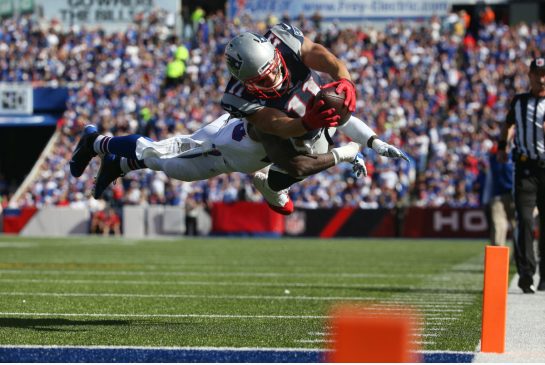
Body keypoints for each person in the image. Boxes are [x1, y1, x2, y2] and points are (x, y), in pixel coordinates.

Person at [221, 24, 408, 214]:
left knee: (295, 167)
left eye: (272, 68)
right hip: (273, 136)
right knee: (296, 165)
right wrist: (307, 122)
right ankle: (277, 182)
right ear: (244, 82)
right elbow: (276, 125)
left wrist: (346, 81)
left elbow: (321, 55)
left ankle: (275, 185)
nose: (272, 79)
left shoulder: (282, 39)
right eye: (261, 80)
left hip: (308, 124)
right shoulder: (236, 96)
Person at [69, 113, 365, 201]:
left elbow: (344, 121)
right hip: (222, 142)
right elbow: (296, 166)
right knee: (159, 149)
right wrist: (347, 152)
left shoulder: (319, 132)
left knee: (171, 167)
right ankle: (95, 142)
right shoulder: (287, 122)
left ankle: (118, 163)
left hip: (226, 160)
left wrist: (366, 145)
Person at [498, 56, 545, 293]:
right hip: (526, 168)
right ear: (531, 77)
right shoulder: (520, 102)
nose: (542, 79)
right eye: (538, 75)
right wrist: (502, 146)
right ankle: (526, 273)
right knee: (525, 220)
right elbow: (507, 125)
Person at [483, 142, 515, 246]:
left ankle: (498, 256)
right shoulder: (512, 158)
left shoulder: (494, 160)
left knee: (499, 227)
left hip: (500, 196)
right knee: (516, 227)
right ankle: (520, 257)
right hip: (511, 195)